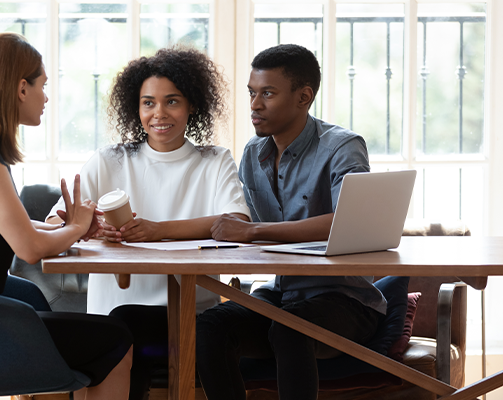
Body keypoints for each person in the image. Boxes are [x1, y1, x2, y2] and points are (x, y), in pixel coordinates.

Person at [0, 32, 133, 400]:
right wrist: (79, 226)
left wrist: (71, 230)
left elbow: (15, 226)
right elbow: (31, 248)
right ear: (21, 88)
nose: (46, 97)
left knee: (81, 340)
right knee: (117, 341)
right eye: (43, 86)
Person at [46, 46, 251, 399]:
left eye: (172, 101)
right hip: (112, 315)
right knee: (122, 332)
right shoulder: (110, 160)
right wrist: (89, 228)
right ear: (135, 108)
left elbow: (236, 221)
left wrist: (158, 231)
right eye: (148, 103)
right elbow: (56, 220)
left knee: (136, 332)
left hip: (191, 314)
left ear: (192, 106)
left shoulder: (214, 161)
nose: (159, 113)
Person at [196, 44, 387, 400]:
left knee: (289, 328)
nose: (254, 105)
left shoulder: (342, 146)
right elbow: (242, 223)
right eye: (252, 93)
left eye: (267, 93)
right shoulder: (254, 153)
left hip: (346, 301)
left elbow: (350, 221)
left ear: (303, 97)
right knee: (209, 326)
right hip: (282, 294)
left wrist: (253, 231)